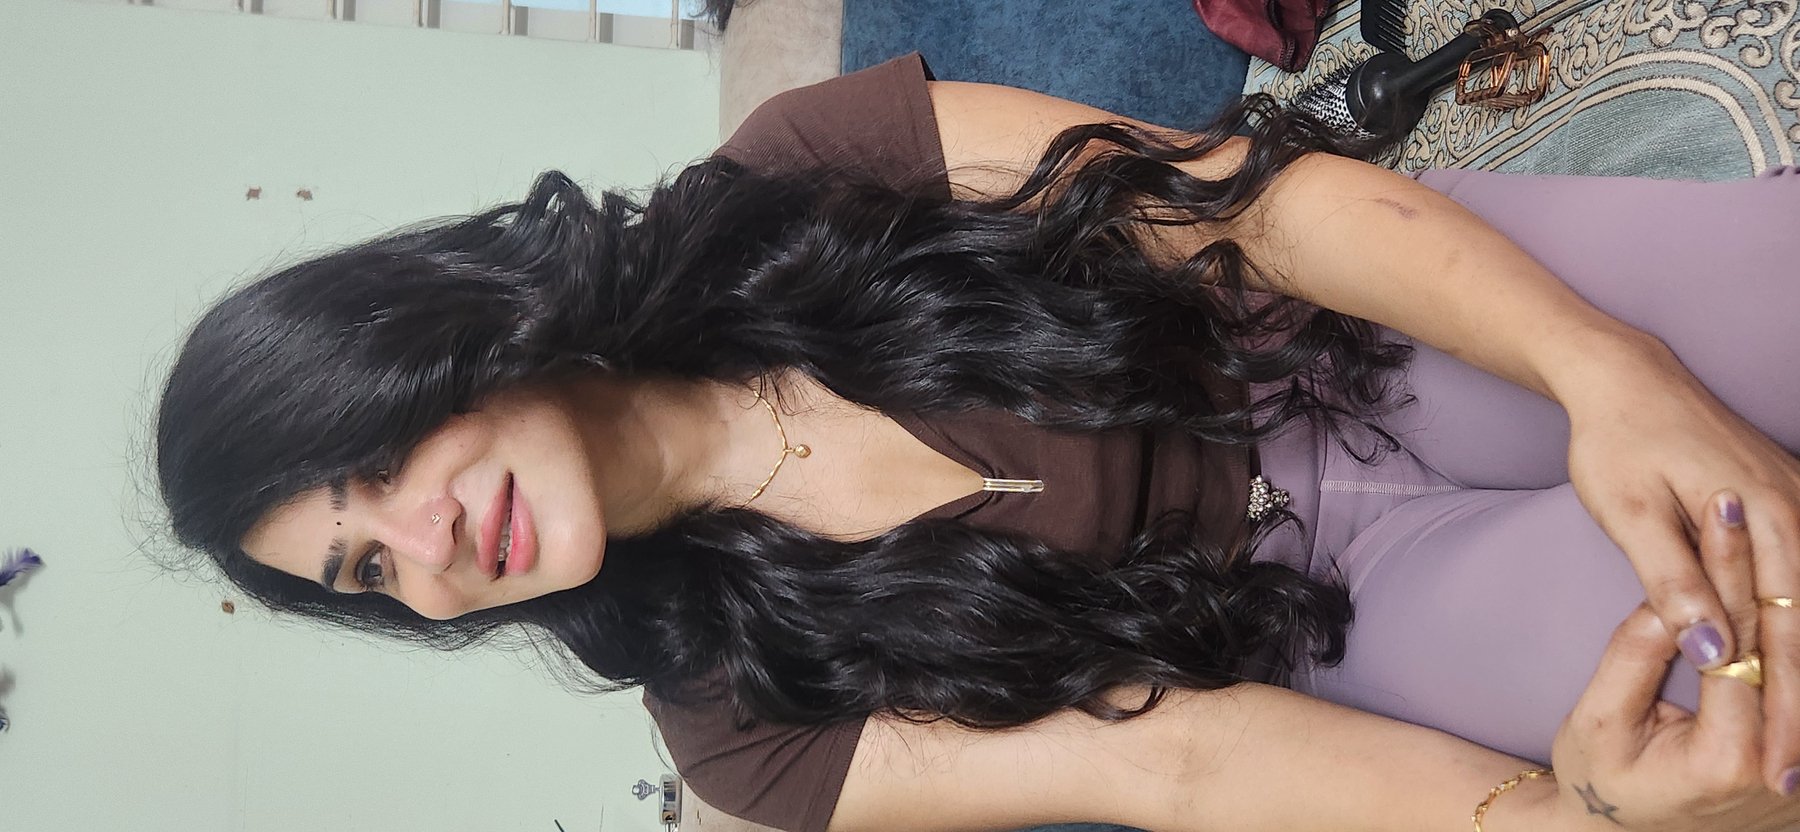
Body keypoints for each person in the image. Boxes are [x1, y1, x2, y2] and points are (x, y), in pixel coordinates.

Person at [154, 54, 1800, 832]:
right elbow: (1171, 763)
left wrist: (1612, 371)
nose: (427, 547)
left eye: (379, 470)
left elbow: (1261, 210)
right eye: (366, 573)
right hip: (1335, 612)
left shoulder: (796, 167)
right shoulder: (742, 738)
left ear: (437, 346)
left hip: (1358, 324)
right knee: (1751, 667)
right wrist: (1570, 824)